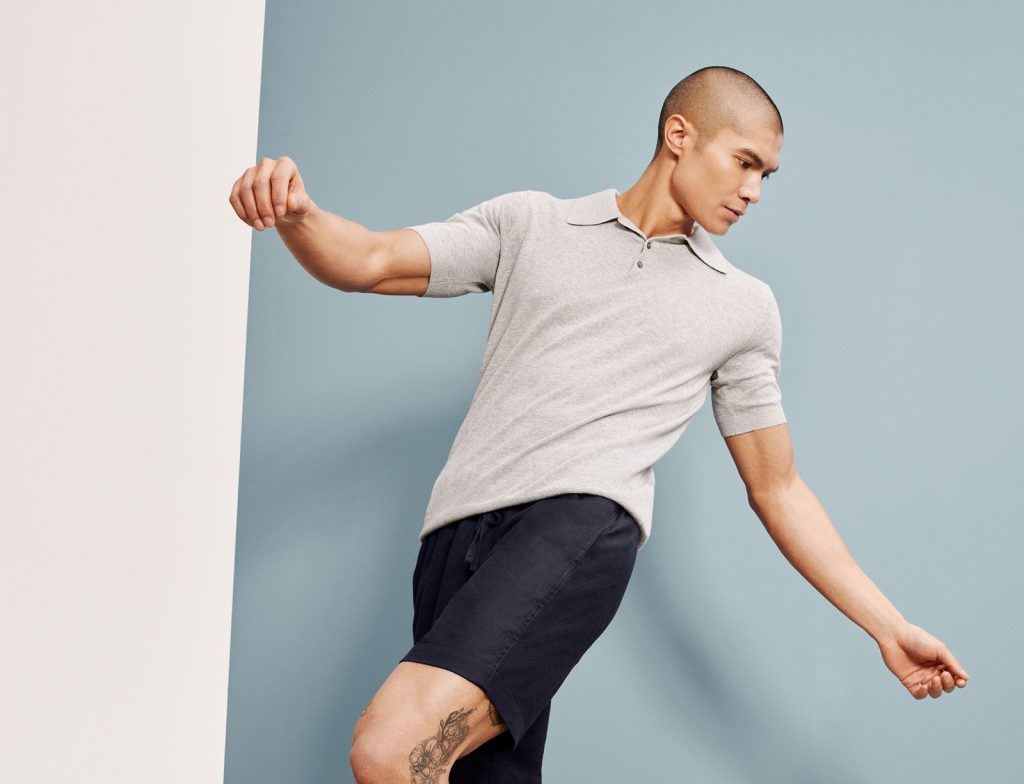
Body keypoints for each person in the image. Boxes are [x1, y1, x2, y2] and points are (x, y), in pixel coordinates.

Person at [229, 65, 971, 784]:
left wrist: (886, 625)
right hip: (453, 542)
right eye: (744, 162)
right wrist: (299, 216)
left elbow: (778, 488)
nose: (752, 191)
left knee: (394, 748)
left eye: (765, 177)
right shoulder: (531, 224)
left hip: (576, 528)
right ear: (681, 134)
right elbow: (369, 259)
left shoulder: (742, 307)